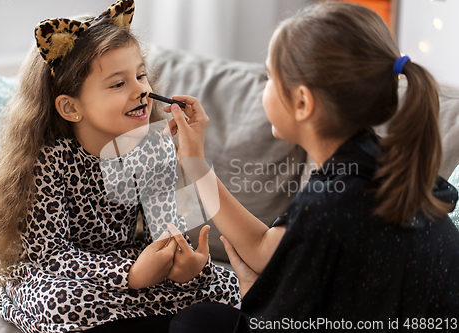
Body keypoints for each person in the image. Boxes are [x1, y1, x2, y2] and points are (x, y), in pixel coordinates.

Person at [163, 2, 459, 332]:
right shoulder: (381, 170)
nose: (265, 87)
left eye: (269, 77)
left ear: (302, 102)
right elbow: (266, 249)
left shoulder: (328, 205)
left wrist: (251, 294)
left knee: (193, 322)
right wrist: (195, 161)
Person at [0, 1, 240, 332]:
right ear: (70, 107)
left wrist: (180, 263)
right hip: (59, 274)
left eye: (141, 75)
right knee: (57, 304)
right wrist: (131, 275)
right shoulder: (48, 160)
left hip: (127, 261)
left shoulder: (153, 148)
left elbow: (167, 234)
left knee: (222, 282)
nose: (142, 89)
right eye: (117, 83)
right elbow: (51, 259)